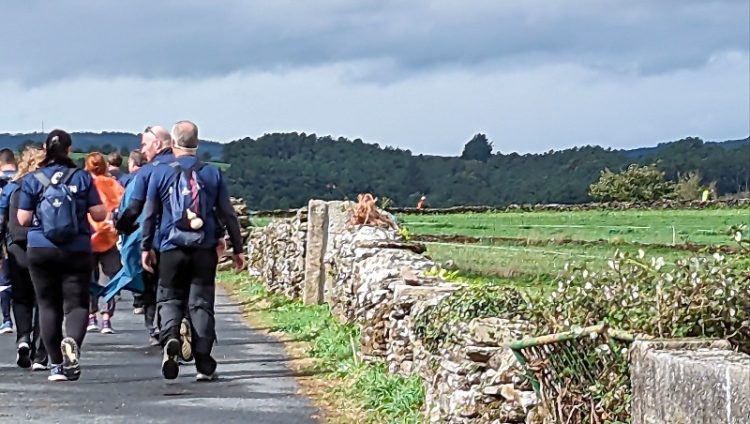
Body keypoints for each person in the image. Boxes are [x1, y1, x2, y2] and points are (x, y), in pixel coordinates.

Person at [141, 121, 244, 381]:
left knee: (169, 298)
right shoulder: (211, 174)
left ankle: (171, 337)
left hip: (170, 247)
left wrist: (146, 246)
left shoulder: (160, 173)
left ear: (173, 143)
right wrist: (236, 247)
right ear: (197, 144)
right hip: (203, 248)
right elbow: (227, 213)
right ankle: (203, 364)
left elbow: (150, 214)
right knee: (200, 303)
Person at [17, 130, 107, 382]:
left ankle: (55, 364)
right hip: (76, 248)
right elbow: (99, 214)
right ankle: (72, 342)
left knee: (47, 305)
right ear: (69, 150)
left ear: (45, 149)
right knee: (76, 303)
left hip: (41, 248)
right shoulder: (82, 177)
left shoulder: (34, 179)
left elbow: (22, 219)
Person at [0, 147, 48, 369]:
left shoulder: (12, 188)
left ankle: (23, 339)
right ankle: (40, 353)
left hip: (17, 249)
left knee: (21, 298)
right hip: (45, 247)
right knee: (44, 301)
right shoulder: (49, 187)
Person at [104, 150, 157, 343]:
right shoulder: (167, 175)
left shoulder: (135, 181)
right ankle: (173, 325)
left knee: (148, 282)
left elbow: (130, 209)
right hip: (168, 237)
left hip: (140, 236)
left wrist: (120, 227)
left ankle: (154, 328)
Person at [85, 153, 124, 334]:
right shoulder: (113, 184)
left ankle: (90, 316)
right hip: (109, 238)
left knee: (87, 279)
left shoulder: (85, 184)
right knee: (108, 279)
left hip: (88, 237)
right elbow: (123, 207)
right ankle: (106, 318)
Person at [0, 148, 17, 334]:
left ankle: (6, 319)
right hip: (24, 234)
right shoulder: (24, 179)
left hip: (4, 234)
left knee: (4, 279)